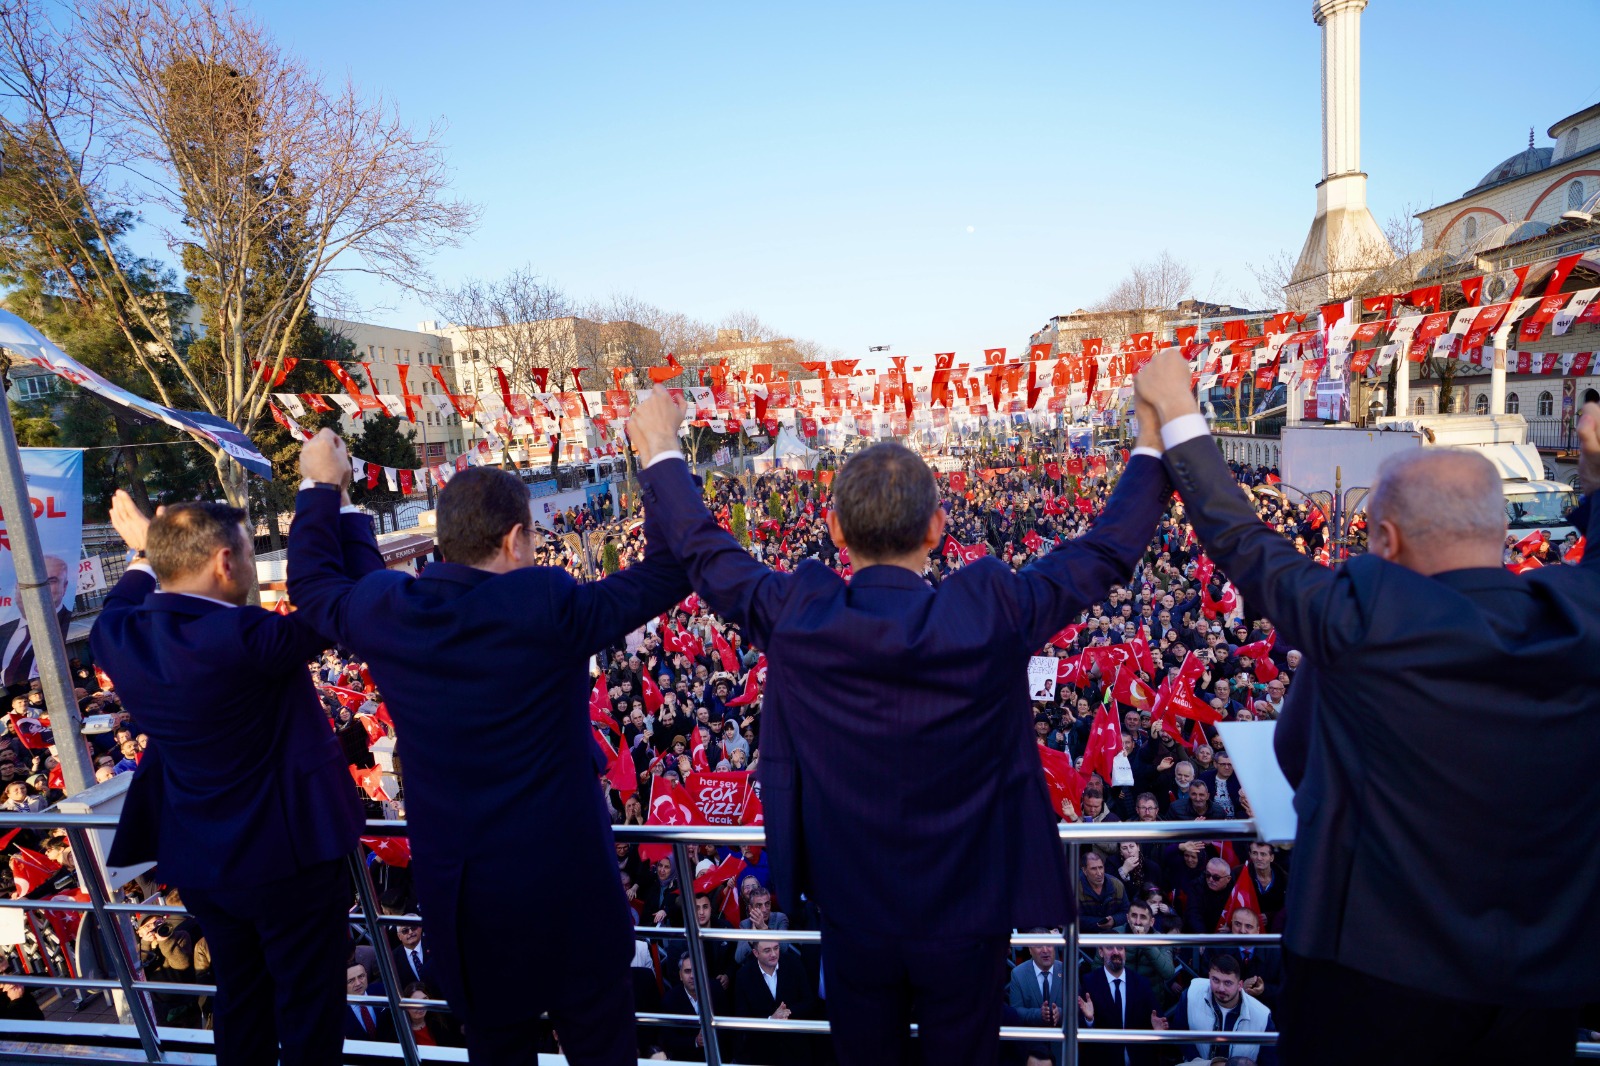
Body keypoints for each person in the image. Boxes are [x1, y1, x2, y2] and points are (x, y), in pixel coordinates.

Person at [627, 387, 1172, 1066]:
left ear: (834, 531)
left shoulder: (801, 614)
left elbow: (707, 555)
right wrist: (1157, 432)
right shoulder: (990, 609)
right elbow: (1106, 552)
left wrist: (660, 449)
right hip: (968, 921)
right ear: (939, 528)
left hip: (854, 918)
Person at [1136, 350, 1600, 1063]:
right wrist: (1594, 474)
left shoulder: (1368, 615)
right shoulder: (1579, 617)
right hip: (1538, 988)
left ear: (1384, 540)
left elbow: (1241, 540)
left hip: (1371, 982)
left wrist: (1173, 407)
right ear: (1502, 535)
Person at [286, 429, 690, 1066]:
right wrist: (659, 452)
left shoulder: (394, 613)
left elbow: (318, 587)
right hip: (573, 903)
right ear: (515, 539)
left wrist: (324, 490)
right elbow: (670, 567)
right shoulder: (547, 605)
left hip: (471, 915)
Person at [92, 491, 361, 1066]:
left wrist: (150, 553)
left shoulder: (118, 638)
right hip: (292, 867)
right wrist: (321, 489)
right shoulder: (249, 639)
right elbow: (327, 594)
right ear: (225, 562)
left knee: (240, 1001)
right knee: (311, 1013)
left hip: (204, 867)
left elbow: (123, 599)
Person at [1166, 955, 1276, 1064]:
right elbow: (1180, 1033)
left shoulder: (1262, 1016)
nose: (1221, 988)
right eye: (1215, 980)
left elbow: (1269, 1061)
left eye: (1228, 983)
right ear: (1209, 976)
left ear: (1240, 985)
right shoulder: (1191, 994)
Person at [1077, 944, 1166, 1066]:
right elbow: (1080, 1027)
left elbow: (1157, 1019)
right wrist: (1089, 1019)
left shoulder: (1141, 983)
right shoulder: (1089, 982)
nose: (1116, 952)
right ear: (1101, 952)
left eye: (1120, 948)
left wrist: (1157, 1030)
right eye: (1110, 948)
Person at [731, 940, 814, 1066]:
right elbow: (742, 1016)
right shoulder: (743, 975)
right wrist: (771, 1019)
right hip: (762, 1051)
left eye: (776, 948)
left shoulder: (794, 964)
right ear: (755, 953)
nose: (774, 954)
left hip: (795, 1048)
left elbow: (808, 1001)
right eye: (767, 950)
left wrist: (787, 1013)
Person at [1006, 936, 1066, 1065]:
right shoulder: (1018, 973)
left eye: (1049, 945)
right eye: (1039, 946)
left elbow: (1077, 1007)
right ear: (1030, 949)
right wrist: (1039, 1014)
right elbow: (1015, 1011)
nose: (1045, 950)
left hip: (1061, 1049)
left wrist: (1059, 1013)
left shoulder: (1067, 970)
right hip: (1031, 1051)